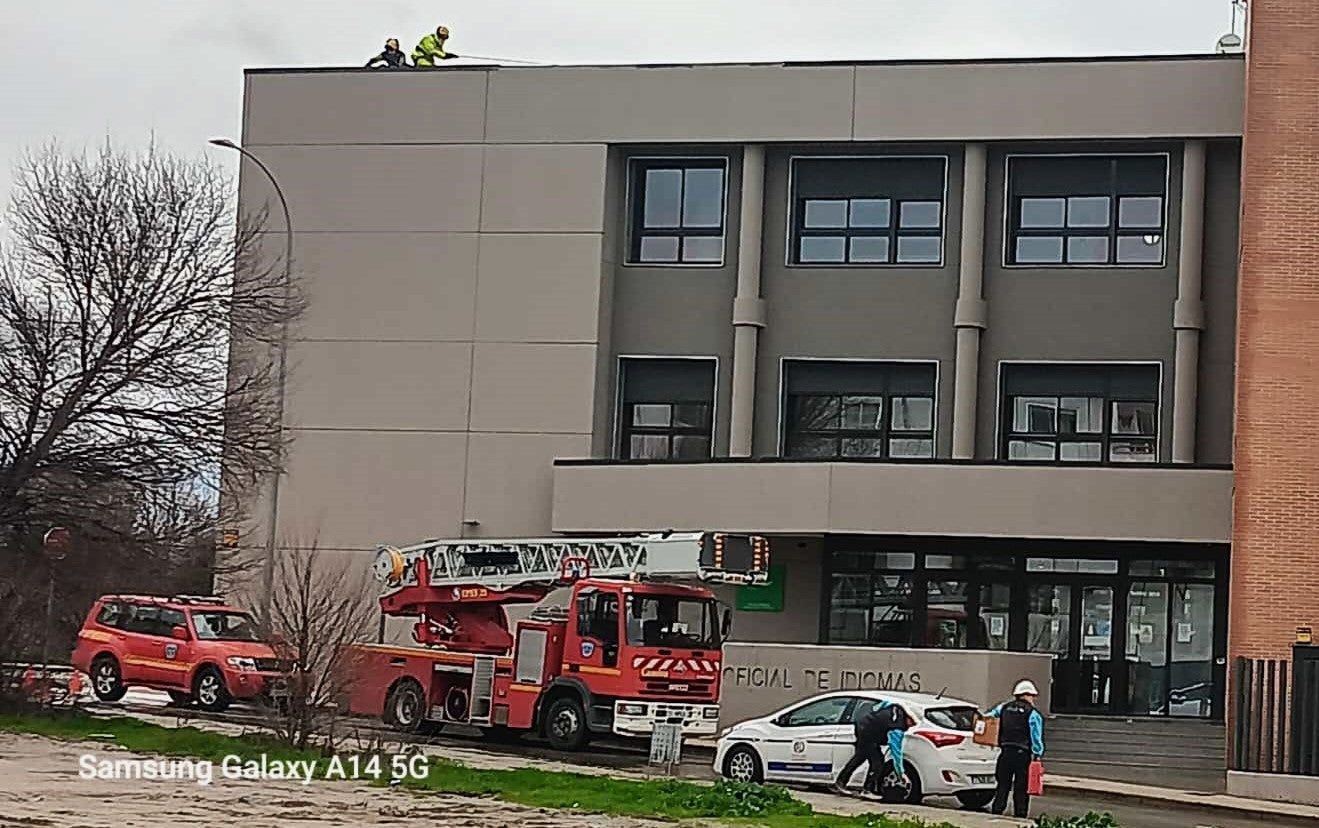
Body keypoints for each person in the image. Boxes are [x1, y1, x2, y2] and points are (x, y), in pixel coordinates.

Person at [983, 679, 1046, 818]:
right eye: (1032, 696)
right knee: (1021, 787)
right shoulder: (1033, 713)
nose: (1033, 699)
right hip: (1022, 754)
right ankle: (1020, 814)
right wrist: (1037, 753)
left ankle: (997, 810)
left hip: (1005, 752)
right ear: (1026, 695)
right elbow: (1036, 736)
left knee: (1003, 784)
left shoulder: (1003, 708)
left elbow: (988, 717)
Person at [832, 698, 912, 798]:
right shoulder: (897, 727)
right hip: (869, 734)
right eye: (912, 723)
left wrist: (875, 716)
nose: (911, 726)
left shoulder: (895, 707)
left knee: (860, 756)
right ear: (908, 717)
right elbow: (896, 752)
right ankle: (867, 790)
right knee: (878, 762)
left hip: (863, 725)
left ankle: (841, 782)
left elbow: (880, 705)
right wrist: (901, 773)